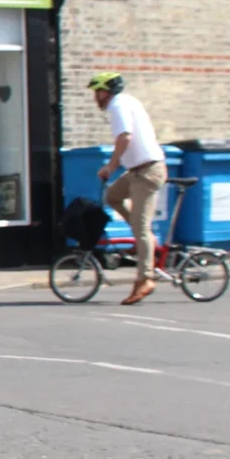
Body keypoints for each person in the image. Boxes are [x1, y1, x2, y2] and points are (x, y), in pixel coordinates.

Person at [90, 72, 166, 305]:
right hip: (136, 171)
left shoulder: (118, 105)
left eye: (98, 92)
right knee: (112, 196)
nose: (96, 97)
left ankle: (146, 278)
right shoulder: (128, 101)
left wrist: (110, 167)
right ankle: (143, 238)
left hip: (147, 172)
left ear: (107, 91)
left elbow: (125, 137)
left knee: (141, 230)